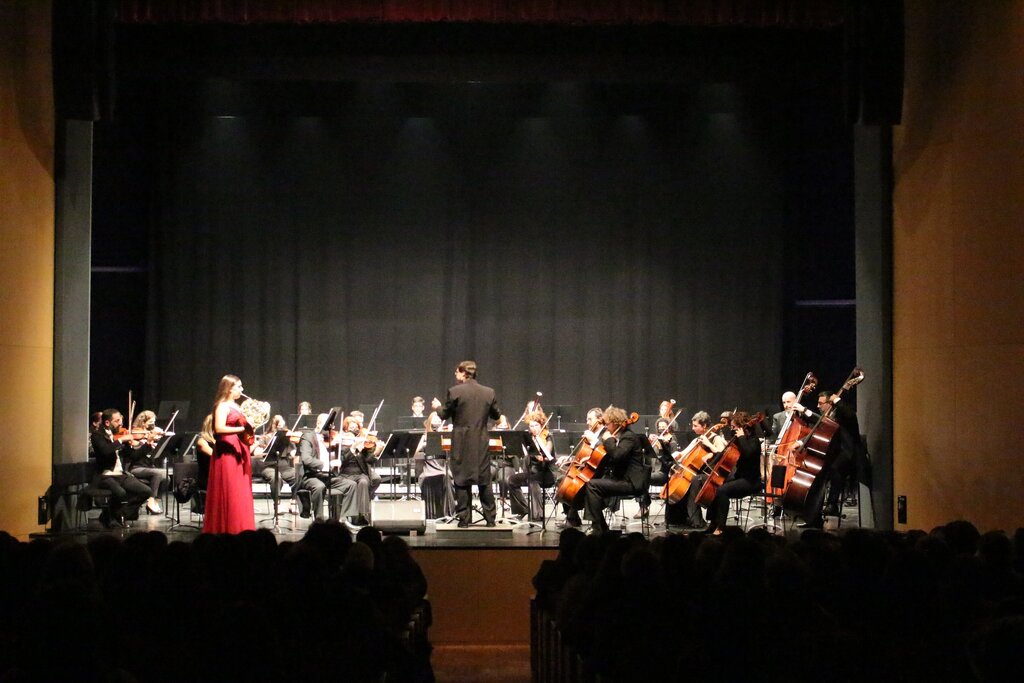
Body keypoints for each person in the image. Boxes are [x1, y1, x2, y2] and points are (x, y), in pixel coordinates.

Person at [431, 360, 501, 527]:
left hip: (461, 441)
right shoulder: (489, 392)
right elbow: (496, 415)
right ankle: (490, 519)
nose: (455, 375)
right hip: (481, 441)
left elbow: (444, 414)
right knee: (484, 479)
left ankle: (464, 520)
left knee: (461, 479)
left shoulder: (455, 392)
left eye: (456, 372)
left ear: (463, 373)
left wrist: (437, 407)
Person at [792, 390, 865, 528]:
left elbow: (851, 416)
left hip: (846, 454)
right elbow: (818, 433)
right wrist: (802, 442)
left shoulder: (842, 414)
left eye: (821, 403)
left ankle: (832, 504)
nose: (818, 406)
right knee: (816, 477)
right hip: (831, 454)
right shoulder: (826, 417)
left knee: (833, 469)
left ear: (830, 403)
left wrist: (837, 401)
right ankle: (813, 517)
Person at [583, 406, 649, 534]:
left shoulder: (629, 437)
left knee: (592, 486)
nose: (606, 427)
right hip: (620, 478)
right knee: (592, 484)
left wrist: (608, 440)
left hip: (630, 482)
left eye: (607, 424)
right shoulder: (620, 436)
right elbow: (610, 457)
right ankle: (600, 526)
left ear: (614, 423)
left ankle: (597, 527)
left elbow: (617, 456)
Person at [203, 374, 256, 533]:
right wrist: (243, 429)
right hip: (228, 452)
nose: (242, 389)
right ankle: (229, 529)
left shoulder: (237, 406)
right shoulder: (222, 406)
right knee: (231, 490)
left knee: (240, 491)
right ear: (229, 388)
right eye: (239, 386)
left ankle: (242, 529)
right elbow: (218, 429)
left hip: (239, 449)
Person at [90, 408, 153, 527]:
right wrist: (120, 440)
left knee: (146, 491)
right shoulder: (97, 435)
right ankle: (113, 516)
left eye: (121, 420)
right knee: (121, 493)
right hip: (105, 475)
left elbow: (133, 455)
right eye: (117, 421)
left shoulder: (119, 436)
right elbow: (105, 451)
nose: (120, 423)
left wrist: (148, 444)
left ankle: (116, 514)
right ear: (107, 423)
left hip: (120, 474)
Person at [703, 412, 763, 535]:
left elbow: (748, 453)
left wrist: (741, 437)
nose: (732, 430)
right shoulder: (739, 441)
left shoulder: (753, 440)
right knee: (715, 486)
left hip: (751, 481)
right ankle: (713, 523)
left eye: (734, 427)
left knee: (722, 490)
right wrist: (713, 455)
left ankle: (721, 527)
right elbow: (727, 455)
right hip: (740, 478)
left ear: (742, 427)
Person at [666, 411, 727, 529]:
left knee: (694, 481)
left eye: (695, 426)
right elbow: (683, 453)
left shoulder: (716, 438)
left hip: (711, 474)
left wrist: (708, 444)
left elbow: (722, 454)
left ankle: (696, 520)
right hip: (696, 473)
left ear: (704, 426)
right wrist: (677, 454)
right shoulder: (697, 440)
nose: (693, 428)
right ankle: (679, 518)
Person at [297, 413, 355, 523]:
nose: (331, 428)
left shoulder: (329, 439)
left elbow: (341, 456)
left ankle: (343, 519)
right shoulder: (308, 437)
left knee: (351, 485)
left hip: (326, 475)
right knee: (319, 487)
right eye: (328, 425)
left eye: (331, 425)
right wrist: (326, 464)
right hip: (310, 475)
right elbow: (306, 459)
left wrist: (350, 449)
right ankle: (319, 521)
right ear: (318, 424)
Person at [558, 407, 605, 529]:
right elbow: (584, 456)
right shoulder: (592, 435)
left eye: (590, 419)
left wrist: (593, 440)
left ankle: (572, 518)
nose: (587, 422)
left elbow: (604, 453)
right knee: (563, 480)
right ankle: (573, 517)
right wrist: (569, 459)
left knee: (576, 484)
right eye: (587, 419)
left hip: (601, 472)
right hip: (589, 469)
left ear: (599, 420)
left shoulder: (605, 434)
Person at [331, 415, 381, 526]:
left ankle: (361, 515)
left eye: (355, 429)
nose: (353, 433)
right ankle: (352, 515)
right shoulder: (341, 444)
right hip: (345, 474)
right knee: (354, 485)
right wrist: (353, 449)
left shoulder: (362, 442)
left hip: (360, 473)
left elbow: (370, 460)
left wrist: (375, 451)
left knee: (364, 482)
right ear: (345, 429)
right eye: (350, 429)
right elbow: (342, 461)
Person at [509, 413, 557, 522]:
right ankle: (522, 509)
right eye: (531, 426)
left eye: (536, 425)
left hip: (548, 473)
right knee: (512, 480)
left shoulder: (548, 436)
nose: (533, 428)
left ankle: (538, 514)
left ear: (542, 425)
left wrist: (540, 453)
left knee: (533, 480)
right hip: (533, 472)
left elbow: (547, 452)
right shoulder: (529, 438)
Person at [125, 410, 167, 514]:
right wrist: (146, 442)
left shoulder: (150, 433)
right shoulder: (135, 434)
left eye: (153, 423)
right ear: (143, 422)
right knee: (158, 473)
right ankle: (151, 501)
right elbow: (135, 455)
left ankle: (156, 501)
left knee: (167, 477)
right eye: (150, 423)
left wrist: (155, 441)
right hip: (135, 468)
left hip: (147, 467)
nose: (152, 426)